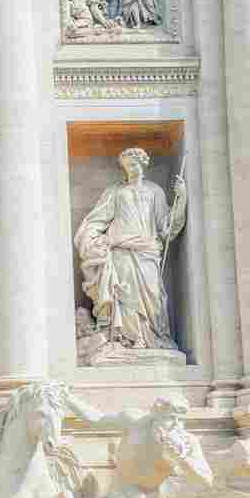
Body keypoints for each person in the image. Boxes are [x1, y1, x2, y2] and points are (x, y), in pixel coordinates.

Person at [76, 148, 189, 354]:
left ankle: (153, 337)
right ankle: (128, 340)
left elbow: (166, 226)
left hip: (147, 250)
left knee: (152, 296)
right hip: (121, 250)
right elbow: (97, 220)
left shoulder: (155, 191)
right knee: (125, 296)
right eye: (127, 166)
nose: (131, 169)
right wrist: (91, 239)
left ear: (143, 164)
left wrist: (181, 199)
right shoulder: (116, 192)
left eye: (134, 164)